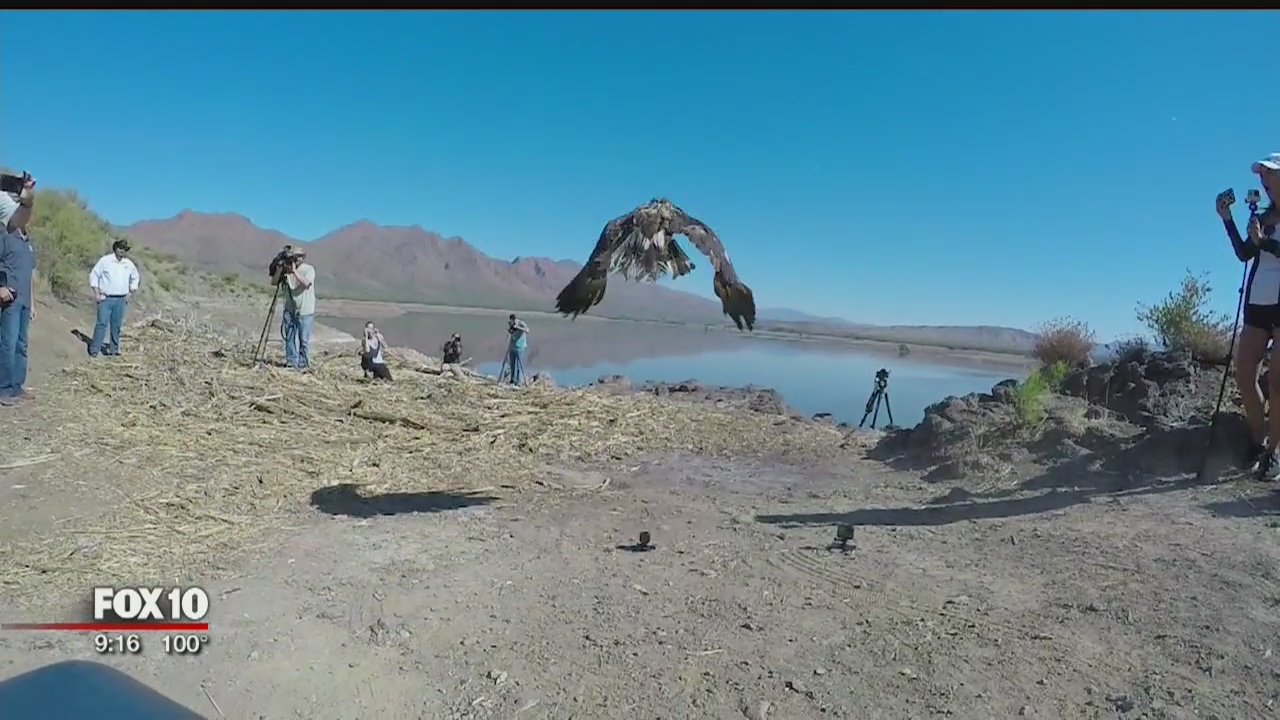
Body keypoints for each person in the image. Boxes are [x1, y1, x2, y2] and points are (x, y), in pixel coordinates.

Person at [1219, 152, 1280, 479]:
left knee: (1278, 384)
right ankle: (1258, 443)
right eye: (1262, 175)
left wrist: (1265, 243)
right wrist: (1227, 219)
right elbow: (1245, 254)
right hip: (1257, 306)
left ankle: (1273, 454)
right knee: (1245, 377)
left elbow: (1266, 248)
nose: (1263, 180)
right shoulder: (1265, 217)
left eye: (1269, 174)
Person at [0, 173, 37, 406]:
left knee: (21, 345)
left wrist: (33, 303)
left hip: (24, 300)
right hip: (10, 298)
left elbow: (30, 274)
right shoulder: (5, 234)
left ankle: (16, 386)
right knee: (8, 343)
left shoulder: (26, 240)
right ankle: (3, 389)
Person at [87, 239, 141, 358]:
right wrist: (96, 292)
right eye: (120, 248)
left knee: (116, 325)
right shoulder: (105, 261)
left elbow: (135, 277)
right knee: (102, 323)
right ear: (115, 248)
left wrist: (131, 291)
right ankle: (95, 349)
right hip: (105, 298)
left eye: (125, 249)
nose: (122, 251)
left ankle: (113, 349)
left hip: (121, 299)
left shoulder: (128, 264)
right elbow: (94, 275)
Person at [280, 249, 316, 369]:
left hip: (305, 310)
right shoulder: (287, 271)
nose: (297, 259)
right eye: (295, 257)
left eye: (299, 256)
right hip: (289, 309)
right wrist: (280, 269)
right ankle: (291, 361)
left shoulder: (309, 269)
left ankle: (303, 363)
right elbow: (274, 282)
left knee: (303, 339)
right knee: (289, 337)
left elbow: (306, 284)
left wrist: (294, 271)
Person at [505, 313, 529, 387]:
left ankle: (518, 381)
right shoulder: (511, 324)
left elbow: (527, 330)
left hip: (520, 347)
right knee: (512, 364)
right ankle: (512, 380)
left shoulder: (521, 323)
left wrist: (518, 327)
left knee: (519, 365)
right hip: (512, 346)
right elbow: (511, 332)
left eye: (514, 320)